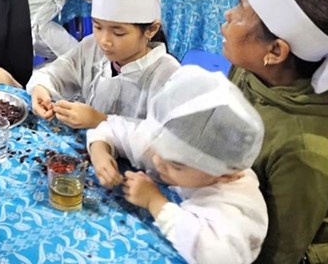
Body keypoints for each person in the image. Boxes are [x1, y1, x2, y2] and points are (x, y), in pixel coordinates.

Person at [87, 65, 267, 264]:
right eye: (158, 150)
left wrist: (155, 202)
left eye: (176, 166)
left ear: (224, 175)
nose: (157, 162)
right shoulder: (175, 151)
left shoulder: (235, 203)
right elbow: (116, 130)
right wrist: (100, 152)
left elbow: (218, 255)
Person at [221, 0, 328, 263]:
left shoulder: (304, 149)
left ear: (276, 51)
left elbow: (281, 250)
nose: (229, 15)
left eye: (241, 12)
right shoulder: (251, 69)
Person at [28, 0, 180, 129]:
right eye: (98, 27)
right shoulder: (91, 47)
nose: (104, 41)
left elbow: (169, 140)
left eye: (118, 32)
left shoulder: (167, 76)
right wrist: (41, 87)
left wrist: (101, 121)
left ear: (151, 29)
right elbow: (56, 73)